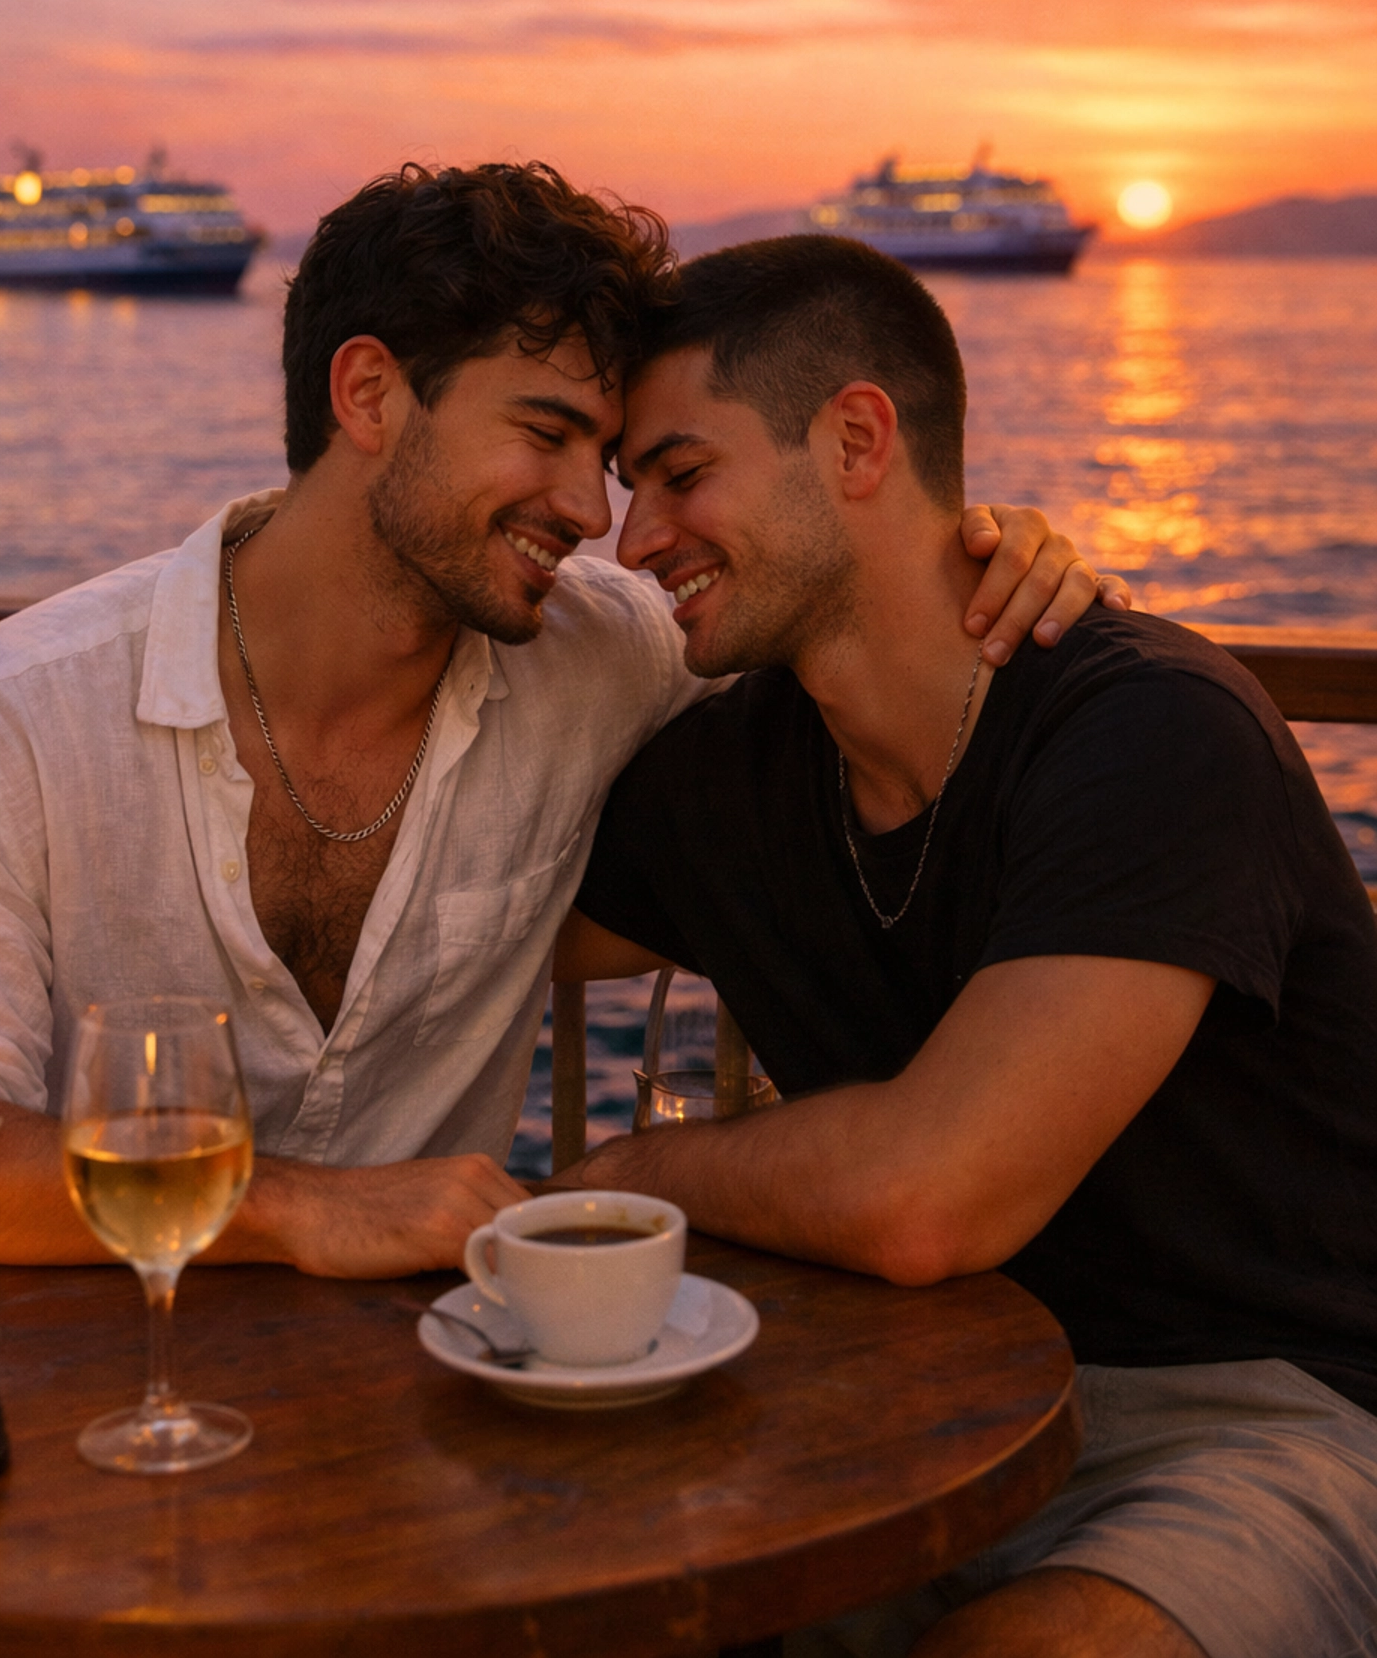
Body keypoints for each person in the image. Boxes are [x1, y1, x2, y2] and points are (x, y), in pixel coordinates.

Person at [0, 164, 1115, 1282]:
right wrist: (299, 1211)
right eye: (546, 433)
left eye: (610, 460)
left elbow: (845, 613)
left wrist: (987, 554)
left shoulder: (602, 651)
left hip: (444, 1408)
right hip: (98, 1419)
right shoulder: (2, 726)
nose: (590, 511)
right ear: (369, 395)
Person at [557, 233, 1377, 1658]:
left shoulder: (1149, 732)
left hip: (1268, 1418)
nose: (634, 541)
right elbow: (467, 934)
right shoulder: (728, 779)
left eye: (683, 475)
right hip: (906, 1404)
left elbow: (933, 1199)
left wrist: (635, 1175)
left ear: (859, 438)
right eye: (631, 492)